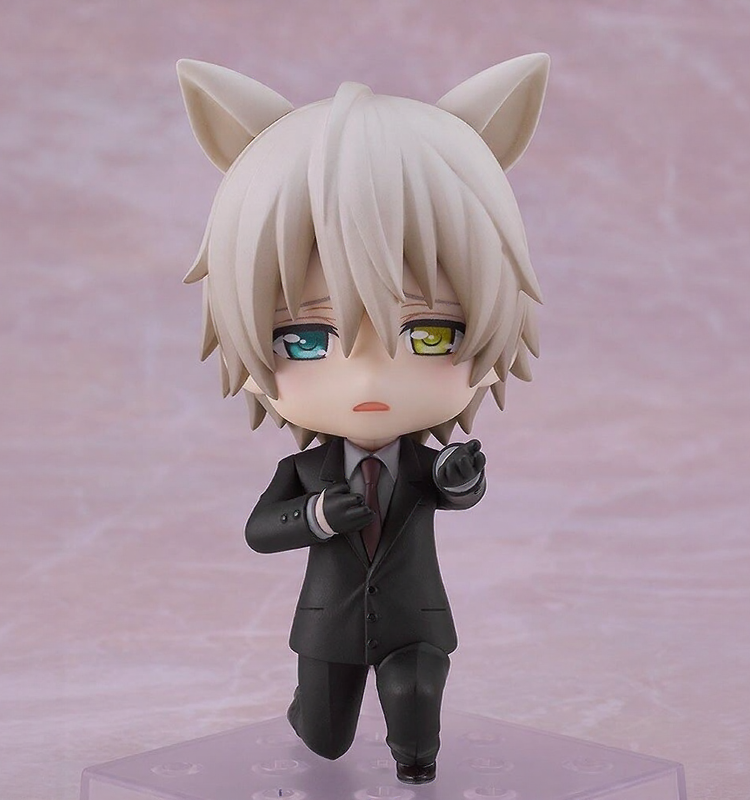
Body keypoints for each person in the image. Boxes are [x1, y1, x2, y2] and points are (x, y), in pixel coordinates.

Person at [177, 53, 549, 784]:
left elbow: (454, 491)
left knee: (414, 696)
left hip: (416, 624)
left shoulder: (421, 466)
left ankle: (417, 761)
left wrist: (462, 477)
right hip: (328, 629)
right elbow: (260, 530)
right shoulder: (304, 470)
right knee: (324, 741)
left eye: (431, 334)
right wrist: (317, 515)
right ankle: (311, 717)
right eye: (304, 340)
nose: (369, 378)